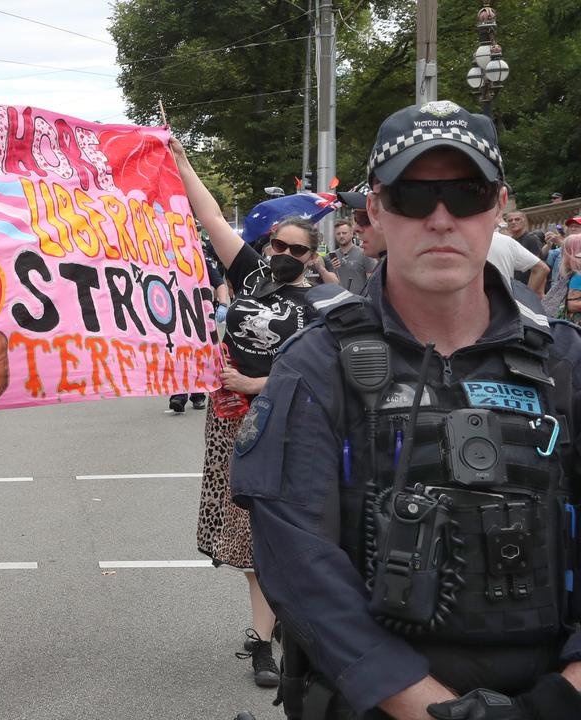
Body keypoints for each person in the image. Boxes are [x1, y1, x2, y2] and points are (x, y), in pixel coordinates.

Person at [233, 100, 581, 720]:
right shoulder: (315, 366)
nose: (442, 219)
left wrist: (561, 698)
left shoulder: (566, 360)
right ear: (375, 209)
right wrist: (427, 708)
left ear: (499, 206)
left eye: (466, 193)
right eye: (414, 196)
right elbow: (298, 566)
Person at [170, 137, 327, 688]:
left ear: (313, 256)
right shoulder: (252, 275)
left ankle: (269, 636)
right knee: (245, 534)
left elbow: (324, 378)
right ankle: (264, 635)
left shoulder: (325, 305)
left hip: (289, 426)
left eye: (296, 250)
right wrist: (182, 162)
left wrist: (257, 382)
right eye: (276, 245)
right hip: (233, 421)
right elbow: (209, 213)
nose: (283, 255)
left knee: (279, 531)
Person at [170, 260, 230, 413]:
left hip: (200, 315)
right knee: (179, 353)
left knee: (198, 354)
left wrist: (223, 304)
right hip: (176, 314)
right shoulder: (168, 260)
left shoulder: (201, 261)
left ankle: (198, 395)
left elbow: (219, 284)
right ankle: (179, 394)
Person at [487, 229, 549, 296]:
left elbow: (541, 267)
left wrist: (527, 297)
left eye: (517, 219)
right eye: (510, 220)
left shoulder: (529, 240)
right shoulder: (508, 241)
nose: (513, 222)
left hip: (511, 292)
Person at [328, 218, 379, 294]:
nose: (341, 236)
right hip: (337, 302)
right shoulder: (329, 257)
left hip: (359, 302)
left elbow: (372, 281)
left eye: (344, 233)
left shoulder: (364, 254)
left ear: (352, 233)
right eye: (338, 234)